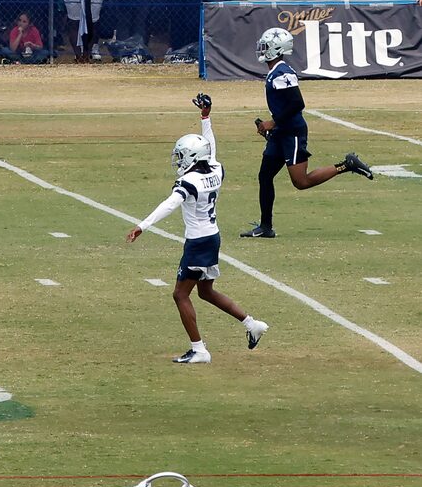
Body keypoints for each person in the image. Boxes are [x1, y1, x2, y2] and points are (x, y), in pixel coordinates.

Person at [127, 97, 269, 364]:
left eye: (182, 155)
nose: (179, 160)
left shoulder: (189, 180)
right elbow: (211, 150)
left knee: (180, 294)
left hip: (198, 241)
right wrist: (206, 118)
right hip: (212, 237)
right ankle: (251, 324)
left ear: (192, 156)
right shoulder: (215, 170)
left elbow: (170, 204)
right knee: (205, 292)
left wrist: (142, 226)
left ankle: (199, 349)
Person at [245, 26, 373, 236]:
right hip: (281, 133)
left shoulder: (282, 71)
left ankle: (346, 165)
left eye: (266, 46)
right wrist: (271, 127)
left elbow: (297, 103)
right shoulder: (275, 71)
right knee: (265, 176)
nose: (261, 49)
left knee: (301, 182)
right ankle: (265, 227)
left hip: (292, 132)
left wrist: (273, 122)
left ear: (277, 49)